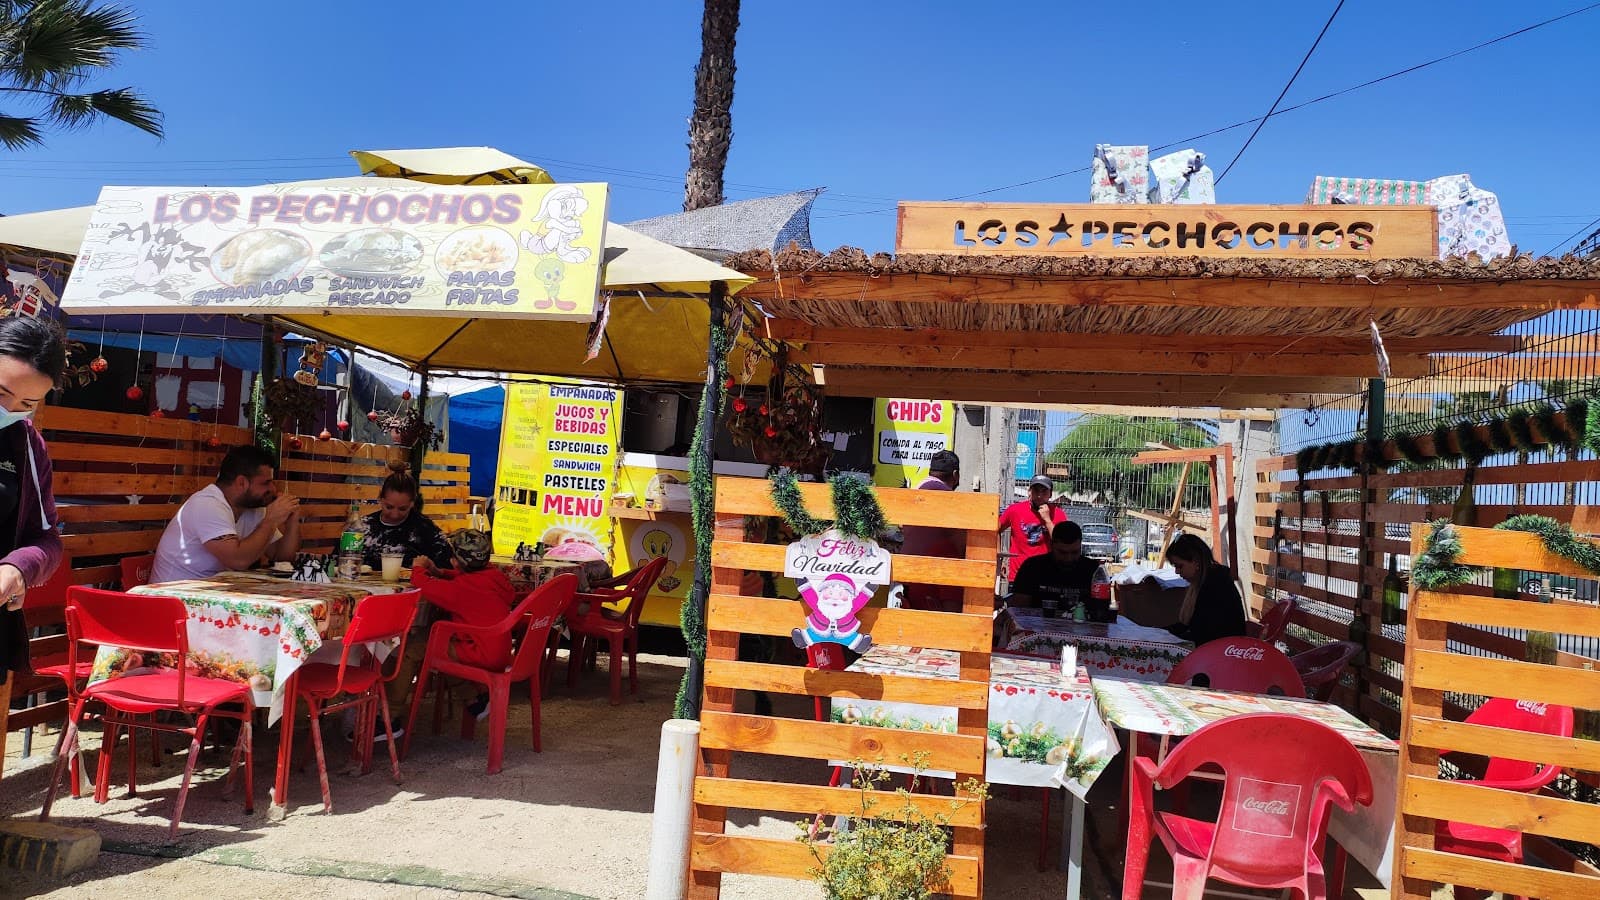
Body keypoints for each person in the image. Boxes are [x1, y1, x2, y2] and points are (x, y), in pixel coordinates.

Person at [0, 315, 67, 721]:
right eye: (1, 392)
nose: (9, 410)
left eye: (26, 404)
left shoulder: (26, 443)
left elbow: (47, 539)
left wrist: (19, 569)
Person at [389, 529, 516, 733]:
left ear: (455, 561)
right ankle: (474, 699)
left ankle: (388, 718)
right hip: (498, 650)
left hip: (478, 652)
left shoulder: (462, 589)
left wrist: (419, 568)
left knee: (411, 649)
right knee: (436, 642)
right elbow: (471, 581)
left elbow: (424, 586)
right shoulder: (495, 577)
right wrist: (440, 573)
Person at [152, 444, 301, 584]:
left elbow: (281, 557)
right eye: (266, 483)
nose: (273, 489)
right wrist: (271, 520)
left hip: (212, 597)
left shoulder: (253, 508)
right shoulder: (208, 505)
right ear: (242, 482)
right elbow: (238, 560)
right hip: (172, 600)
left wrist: (293, 521)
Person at [900, 450, 965, 612]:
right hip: (932, 578)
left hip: (907, 572)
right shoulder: (948, 498)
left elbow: (902, 525)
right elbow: (959, 539)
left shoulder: (917, 489)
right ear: (955, 474)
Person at [360, 467, 453, 570]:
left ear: (412, 503)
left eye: (402, 509)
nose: (395, 514)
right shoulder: (363, 526)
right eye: (389, 507)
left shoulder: (426, 529)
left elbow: (447, 569)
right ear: (381, 499)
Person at [1165, 533, 1248, 646]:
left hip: (1223, 652)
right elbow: (1189, 627)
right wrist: (1161, 631)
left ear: (1196, 561)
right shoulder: (1204, 581)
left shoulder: (1215, 585)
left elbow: (1203, 632)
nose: (1177, 572)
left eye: (1179, 566)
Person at [1009, 522, 1100, 619]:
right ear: (1052, 545)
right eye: (1062, 552)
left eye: (1074, 552)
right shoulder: (1033, 567)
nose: (1068, 558)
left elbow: (1100, 611)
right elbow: (1019, 610)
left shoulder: (1093, 570)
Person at [998, 474, 1067, 589]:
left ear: (1050, 494)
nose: (1039, 496)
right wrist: (1000, 560)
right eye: (1036, 491)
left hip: (1046, 575)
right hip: (1018, 574)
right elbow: (995, 530)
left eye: (1044, 492)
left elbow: (1062, 542)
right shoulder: (1015, 510)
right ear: (1029, 492)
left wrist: (1047, 520)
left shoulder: (1058, 514)